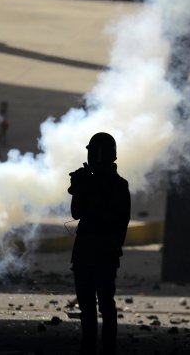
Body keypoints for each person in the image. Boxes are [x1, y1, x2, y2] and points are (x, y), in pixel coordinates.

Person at [68, 132, 130, 355]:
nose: (91, 156)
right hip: (94, 252)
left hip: (100, 252)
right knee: (91, 306)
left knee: (102, 304)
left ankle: (105, 348)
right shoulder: (109, 183)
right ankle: (94, 347)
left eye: (94, 152)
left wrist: (86, 186)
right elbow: (76, 212)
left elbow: (112, 218)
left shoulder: (118, 186)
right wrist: (79, 186)